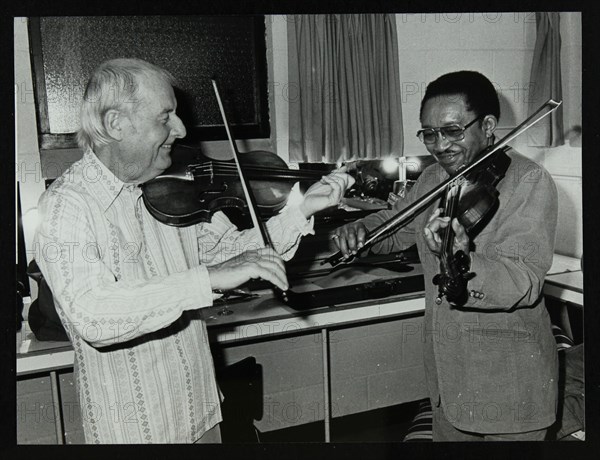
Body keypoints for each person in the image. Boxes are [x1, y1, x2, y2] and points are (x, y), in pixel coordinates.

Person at [33, 58, 353, 444]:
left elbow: (232, 253)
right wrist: (207, 280)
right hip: (138, 431)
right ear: (116, 124)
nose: (181, 129)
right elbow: (93, 314)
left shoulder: (169, 187)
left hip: (201, 411)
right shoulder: (67, 204)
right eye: (165, 116)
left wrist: (301, 209)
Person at [332, 71, 559, 441]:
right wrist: (362, 231)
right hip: (448, 389)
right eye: (430, 133)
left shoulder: (528, 181)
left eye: (453, 131)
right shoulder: (432, 179)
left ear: (487, 126)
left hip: (511, 394)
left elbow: (523, 282)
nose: (440, 145)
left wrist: (461, 260)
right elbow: (395, 222)